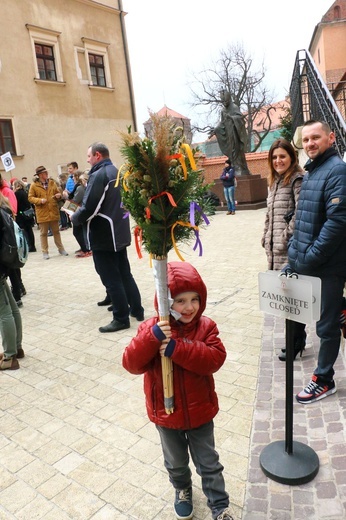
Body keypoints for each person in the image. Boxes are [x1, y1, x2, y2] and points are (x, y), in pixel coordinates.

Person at [123, 262, 233, 520]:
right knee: (176, 462)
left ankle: (219, 503)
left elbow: (214, 359)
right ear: (165, 301)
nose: (190, 307)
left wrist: (178, 348)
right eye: (180, 300)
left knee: (209, 462)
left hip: (200, 412)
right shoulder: (152, 329)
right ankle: (182, 489)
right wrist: (151, 338)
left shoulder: (206, 327)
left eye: (195, 299)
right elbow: (131, 363)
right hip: (166, 412)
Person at [288, 120, 346, 404]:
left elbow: (337, 223)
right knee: (325, 314)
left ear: (331, 137)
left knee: (325, 327)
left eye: (316, 138)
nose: (310, 143)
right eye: (306, 139)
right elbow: (304, 220)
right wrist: (293, 254)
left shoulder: (336, 170)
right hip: (312, 263)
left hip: (329, 266)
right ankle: (342, 309)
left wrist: (308, 258)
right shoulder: (312, 172)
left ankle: (324, 380)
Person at [71, 142, 144, 332]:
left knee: (111, 278)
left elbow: (90, 207)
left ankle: (121, 318)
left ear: (97, 155)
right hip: (118, 231)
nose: (87, 160)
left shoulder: (100, 174)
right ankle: (136, 309)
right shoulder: (117, 171)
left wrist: (75, 217)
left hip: (104, 233)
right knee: (124, 273)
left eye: (88, 156)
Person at [262, 138, 306, 361]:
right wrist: (265, 237)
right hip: (273, 250)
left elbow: (300, 215)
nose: (278, 160)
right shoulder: (274, 181)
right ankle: (297, 339)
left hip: (288, 250)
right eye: (274, 157)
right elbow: (269, 214)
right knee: (284, 296)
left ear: (291, 157)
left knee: (292, 299)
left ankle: (296, 342)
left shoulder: (297, 180)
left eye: (282, 156)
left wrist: (282, 238)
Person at [0, 194, 24, 370]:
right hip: (4, 265)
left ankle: (10, 357)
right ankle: (16, 348)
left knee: (3, 312)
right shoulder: (3, 208)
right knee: (11, 308)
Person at [28, 166, 68, 260]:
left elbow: (58, 193)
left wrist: (58, 195)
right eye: (45, 173)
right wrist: (39, 200)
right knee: (43, 233)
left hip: (53, 210)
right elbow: (30, 198)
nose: (47, 174)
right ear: (40, 175)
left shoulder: (52, 182)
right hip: (42, 212)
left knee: (56, 232)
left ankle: (61, 249)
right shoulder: (34, 185)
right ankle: (45, 252)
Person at [210, 89, 250, 176]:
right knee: (231, 151)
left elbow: (240, 118)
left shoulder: (234, 107)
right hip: (228, 133)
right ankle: (234, 167)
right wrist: (216, 130)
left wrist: (232, 118)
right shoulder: (223, 110)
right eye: (223, 101)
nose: (224, 103)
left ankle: (240, 167)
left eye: (226, 101)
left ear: (229, 99)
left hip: (235, 132)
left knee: (237, 150)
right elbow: (222, 122)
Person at [67, 172, 91, 258]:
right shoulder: (83, 188)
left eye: (73, 177)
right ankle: (85, 248)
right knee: (81, 231)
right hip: (81, 211)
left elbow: (75, 201)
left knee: (77, 232)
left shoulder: (80, 188)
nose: (72, 179)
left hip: (78, 212)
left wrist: (66, 200)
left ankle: (86, 250)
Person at [13, 180, 36, 253]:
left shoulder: (17, 194)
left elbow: (16, 204)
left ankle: (28, 245)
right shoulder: (26, 192)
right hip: (28, 213)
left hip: (21, 215)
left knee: (24, 231)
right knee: (29, 230)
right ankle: (32, 246)